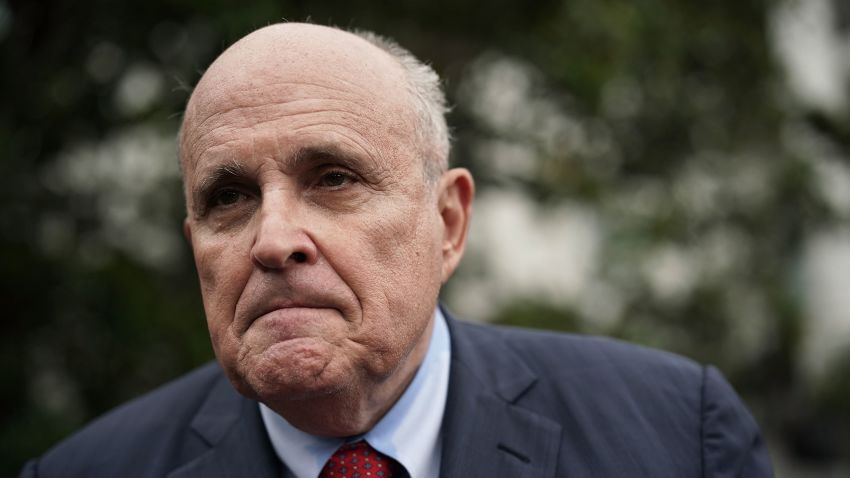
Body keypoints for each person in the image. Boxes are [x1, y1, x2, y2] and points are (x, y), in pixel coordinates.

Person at [20, 23, 773, 477]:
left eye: (334, 178)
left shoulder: (676, 436)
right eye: (228, 198)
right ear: (195, 246)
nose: (274, 239)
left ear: (448, 223)